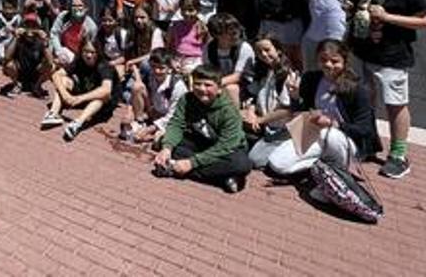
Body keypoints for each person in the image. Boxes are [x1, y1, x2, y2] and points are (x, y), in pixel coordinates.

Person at [347, 0, 426, 179]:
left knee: (395, 105)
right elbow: (359, 11)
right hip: (362, 51)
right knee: (364, 101)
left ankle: (398, 155)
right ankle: (367, 144)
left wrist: (388, 17)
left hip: (391, 56)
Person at [263, 39, 382, 176]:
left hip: (344, 140)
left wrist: (334, 123)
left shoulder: (357, 89)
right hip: (314, 133)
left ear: (344, 61)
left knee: (329, 133)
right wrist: (295, 97)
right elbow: (300, 112)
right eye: (323, 59)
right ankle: (320, 167)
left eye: (334, 61)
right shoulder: (311, 78)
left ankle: (340, 171)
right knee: (276, 164)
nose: (328, 65)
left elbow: (365, 129)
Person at [152, 65, 251, 194]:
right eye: (197, 84)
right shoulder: (187, 99)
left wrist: (191, 163)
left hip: (227, 149)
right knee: (163, 140)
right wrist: (167, 148)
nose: (202, 89)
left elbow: (225, 145)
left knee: (242, 164)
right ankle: (223, 178)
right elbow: (177, 124)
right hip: (201, 143)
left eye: (208, 85)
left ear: (219, 89)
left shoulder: (229, 112)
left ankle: (176, 169)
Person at [40, 39, 118, 141]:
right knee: (63, 80)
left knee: (101, 96)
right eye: (86, 51)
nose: (89, 55)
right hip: (84, 93)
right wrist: (65, 95)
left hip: (103, 103)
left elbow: (106, 90)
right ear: (81, 51)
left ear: (98, 52)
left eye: (92, 52)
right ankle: (53, 114)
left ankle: (77, 123)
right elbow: (56, 74)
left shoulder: (105, 66)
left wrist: (78, 99)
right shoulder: (79, 61)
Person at [244, 37, 297, 168]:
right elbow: (253, 96)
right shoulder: (263, 71)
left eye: (267, 50)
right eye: (259, 51)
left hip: (282, 130)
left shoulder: (288, 74)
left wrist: (259, 120)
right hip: (265, 127)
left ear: (278, 50)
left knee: (256, 160)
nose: (263, 54)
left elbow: (286, 109)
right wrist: (251, 113)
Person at [125, 49, 187, 145]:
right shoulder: (150, 75)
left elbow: (173, 116)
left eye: (161, 68)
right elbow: (137, 91)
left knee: (158, 139)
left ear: (169, 68)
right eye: (153, 67)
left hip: (170, 120)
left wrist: (149, 129)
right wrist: (129, 111)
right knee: (137, 86)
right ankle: (140, 122)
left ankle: (150, 135)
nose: (157, 71)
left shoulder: (178, 86)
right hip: (154, 111)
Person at [203, 12, 254, 104]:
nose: (235, 35)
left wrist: (214, 84)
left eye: (236, 31)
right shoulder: (209, 48)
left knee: (231, 89)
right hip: (218, 82)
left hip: (244, 86)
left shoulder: (244, 47)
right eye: (230, 32)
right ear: (216, 34)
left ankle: (234, 117)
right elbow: (208, 70)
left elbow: (237, 76)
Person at [2, 12, 51, 98]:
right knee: (8, 64)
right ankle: (17, 85)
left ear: (38, 28)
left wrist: (45, 42)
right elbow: (6, 57)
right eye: (27, 25)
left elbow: (50, 62)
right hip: (20, 72)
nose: (30, 28)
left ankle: (37, 86)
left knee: (51, 66)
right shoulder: (18, 39)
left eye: (33, 25)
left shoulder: (40, 41)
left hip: (36, 73)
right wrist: (15, 37)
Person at [49, 0, 98, 67]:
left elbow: (90, 48)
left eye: (80, 6)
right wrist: (59, 52)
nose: (76, 8)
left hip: (78, 58)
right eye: (74, 6)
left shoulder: (91, 27)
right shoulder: (63, 17)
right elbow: (54, 34)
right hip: (61, 51)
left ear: (86, 8)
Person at [165, 0, 207, 73]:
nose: (186, 13)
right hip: (177, 59)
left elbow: (207, 49)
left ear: (198, 9)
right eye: (183, 10)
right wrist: (172, 61)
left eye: (191, 10)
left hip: (196, 61)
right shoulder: (174, 26)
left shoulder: (203, 27)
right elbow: (168, 47)